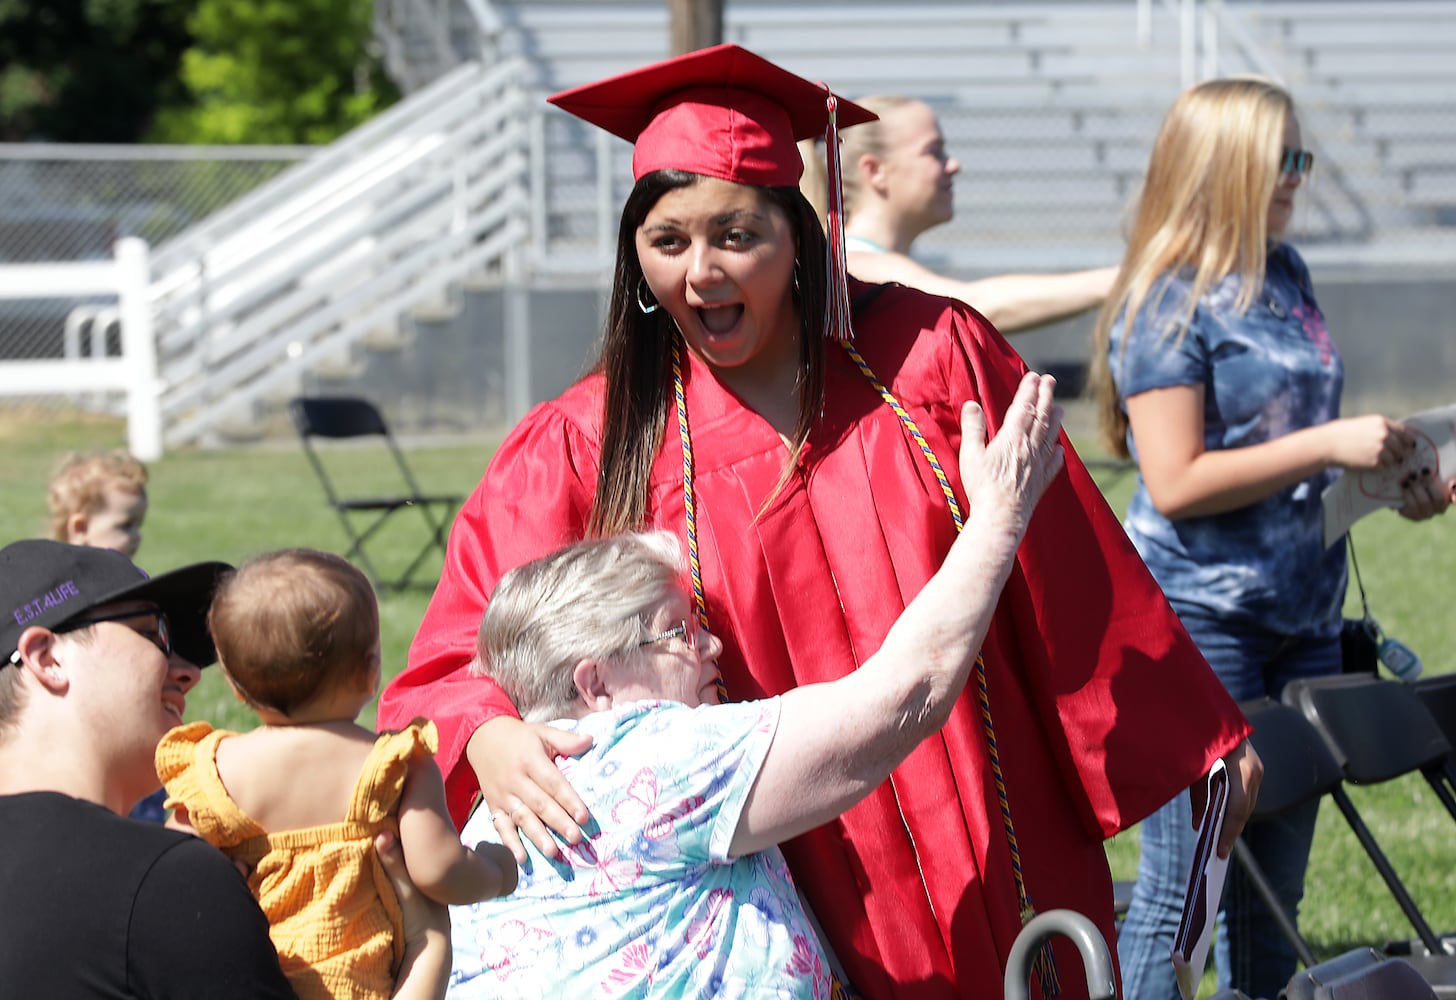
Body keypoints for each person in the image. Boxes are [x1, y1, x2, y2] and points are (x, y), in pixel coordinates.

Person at [380, 44, 1259, 999]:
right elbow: (453, 659)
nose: (703, 273)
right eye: (667, 241)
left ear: (799, 234)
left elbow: (1074, 583)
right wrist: (488, 736)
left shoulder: (932, 362)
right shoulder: (590, 442)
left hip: (991, 835)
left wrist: (1195, 747)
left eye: (736, 236)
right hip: (758, 876)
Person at [448, 373, 1063, 997]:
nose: (711, 646)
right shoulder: (648, 760)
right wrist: (998, 518)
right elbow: (906, 694)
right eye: (679, 634)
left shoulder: (495, 812)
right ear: (596, 681)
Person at [1089, 77, 1456, 999]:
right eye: (1280, 158)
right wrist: (1331, 442)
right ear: (1221, 167)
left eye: (1302, 156)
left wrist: (1387, 483)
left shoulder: (1283, 275)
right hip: (1204, 621)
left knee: (1274, 893)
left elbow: (1285, 455)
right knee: (1188, 891)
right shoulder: (1166, 302)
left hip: (1305, 611)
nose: (1297, 175)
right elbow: (1174, 482)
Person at [0, 538, 452, 999]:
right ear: (47, 657)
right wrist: (428, 945)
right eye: (154, 633)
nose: (189, 672)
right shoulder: (167, 885)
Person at [157, 547, 517, 1000]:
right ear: (370, 673)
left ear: (234, 684)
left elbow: (173, 873)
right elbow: (437, 869)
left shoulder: (213, 771)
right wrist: (498, 871)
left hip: (244, 982)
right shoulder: (395, 765)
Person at [798, 95, 1118, 334]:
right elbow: (969, 308)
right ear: (875, 171)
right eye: (933, 151)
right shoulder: (851, 265)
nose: (954, 164)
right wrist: (1123, 280)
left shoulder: (860, 262)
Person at [48, 447, 149, 558]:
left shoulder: (120, 573)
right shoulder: (70, 575)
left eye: (138, 526)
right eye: (126, 526)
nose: (137, 536)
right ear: (81, 529)